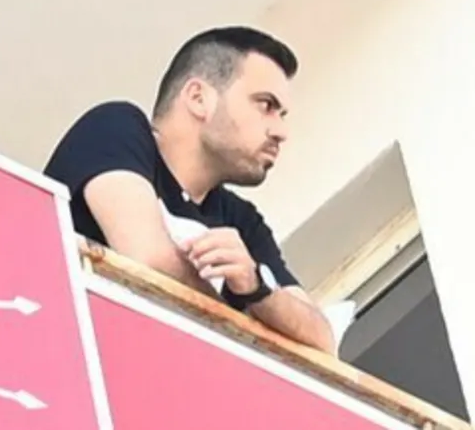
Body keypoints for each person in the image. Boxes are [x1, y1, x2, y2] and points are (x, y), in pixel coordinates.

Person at [43, 27, 335, 353]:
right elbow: (149, 261)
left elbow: (323, 342)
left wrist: (255, 288)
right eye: (265, 105)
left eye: (282, 115)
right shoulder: (117, 128)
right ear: (198, 98)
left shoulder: (241, 220)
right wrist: (243, 326)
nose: (281, 131)